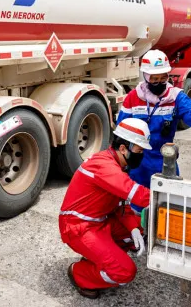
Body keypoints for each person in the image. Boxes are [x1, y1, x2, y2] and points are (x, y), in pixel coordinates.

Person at [59, 118, 152, 299]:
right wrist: (169, 197)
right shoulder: (105, 166)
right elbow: (138, 195)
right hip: (79, 228)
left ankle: (99, 258)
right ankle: (79, 273)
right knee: (125, 273)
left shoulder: (115, 163)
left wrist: (133, 227)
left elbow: (120, 205)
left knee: (136, 234)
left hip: (98, 221)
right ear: (123, 148)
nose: (141, 155)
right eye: (139, 151)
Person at [117, 49, 191, 202]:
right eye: (154, 79)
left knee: (166, 205)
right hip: (138, 163)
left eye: (163, 78)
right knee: (137, 205)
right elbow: (121, 131)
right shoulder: (133, 98)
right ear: (145, 77)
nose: (159, 82)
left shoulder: (176, 97)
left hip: (164, 160)